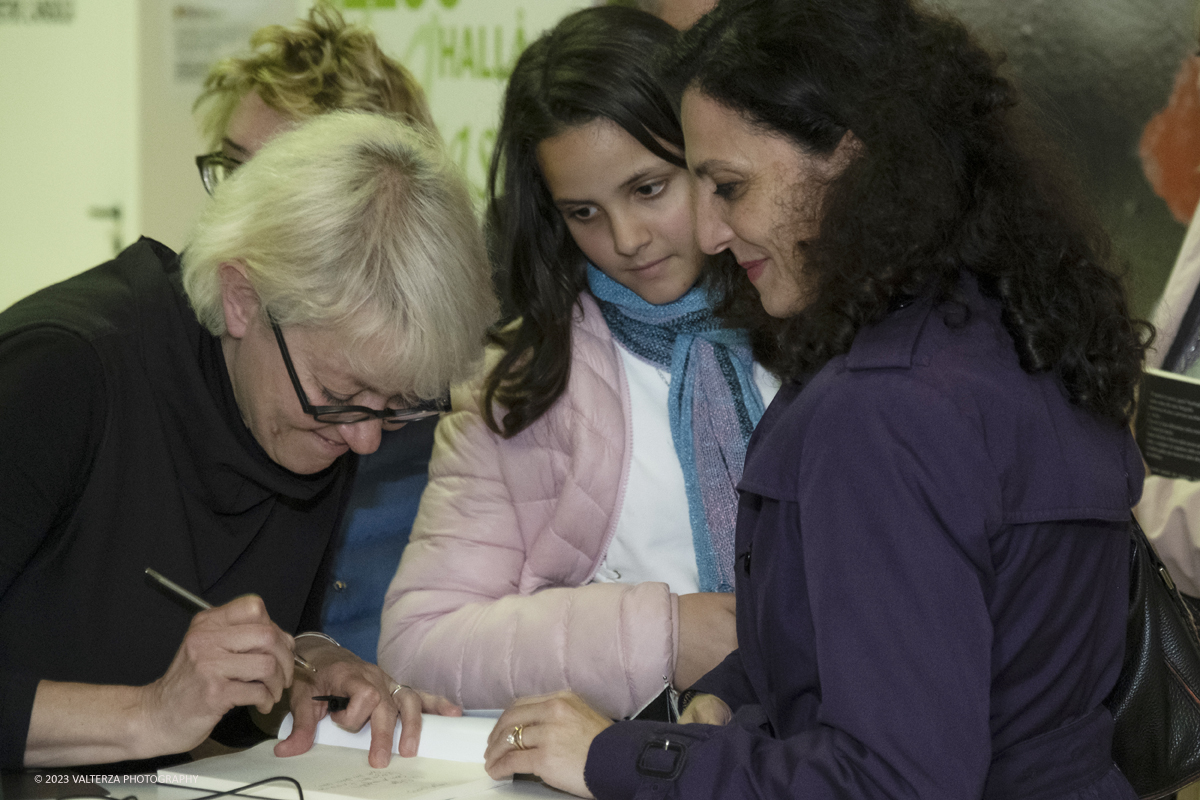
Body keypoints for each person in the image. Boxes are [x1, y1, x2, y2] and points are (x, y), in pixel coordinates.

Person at [478, 0, 1150, 797]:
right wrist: (729, 688)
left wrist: (616, 758)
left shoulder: (884, 408)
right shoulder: (1010, 330)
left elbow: (891, 779)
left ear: (853, 157)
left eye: (729, 186)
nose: (713, 231)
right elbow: (949, 643)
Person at [0, 111, 496, 769]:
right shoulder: (61, 373)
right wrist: (148, 716)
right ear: (241, 298)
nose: (367, 439)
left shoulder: (310, 405)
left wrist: (301, 668)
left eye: (402, 405)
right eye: (342, 394)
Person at [378, 5, 781, 720]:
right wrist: (660, 635)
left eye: (648, 189)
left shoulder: (816, 323)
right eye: (583, 213)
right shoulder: (520, 381)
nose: (625, 239)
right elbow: (419, 644)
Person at [193, 2, 441, 662]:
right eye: (233, 171)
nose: (235, 215)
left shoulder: (453, 417)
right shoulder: (174, 366)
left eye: (279, 193)